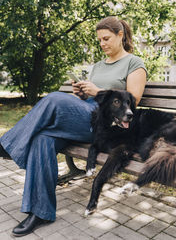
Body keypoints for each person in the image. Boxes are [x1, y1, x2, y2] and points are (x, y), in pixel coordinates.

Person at [0, 16, 147, 237]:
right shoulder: (98, 66)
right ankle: (41, 212)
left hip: (107, 125)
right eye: (99, 40)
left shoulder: (134, 63)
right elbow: (88, 99)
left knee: (52, 98)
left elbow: (133, 101)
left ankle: (7, 145)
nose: (102, 43)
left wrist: (97, 92)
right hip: (85, 116)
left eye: (106, 38)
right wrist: (81, 93)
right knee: (42, 139)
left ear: (120, 35)